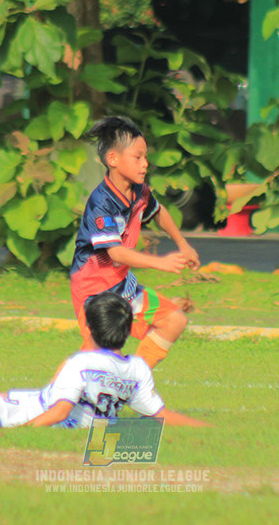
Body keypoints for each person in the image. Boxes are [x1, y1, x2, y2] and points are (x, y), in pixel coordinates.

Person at [0, 292, 207, 428]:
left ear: (90, 328)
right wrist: (202, 427)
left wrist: (24, 433)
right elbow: (161, 415)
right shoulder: (136, 368)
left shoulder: (81, 362)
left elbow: (58, 412)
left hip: (33, 414)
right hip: (46, 407)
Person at [69, 116, 200, 369]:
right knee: (98, 358)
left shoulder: (139, 191)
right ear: (113, 160)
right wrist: (160, 263)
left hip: (122, 286)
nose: (145, 164)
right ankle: (56, 401)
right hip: (93, 292)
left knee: (174, 320)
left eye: (145, 157)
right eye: (137, 157)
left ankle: (132, 383)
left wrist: (183, 244)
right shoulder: (102, 202)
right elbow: (116, 253)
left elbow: (158, 212)